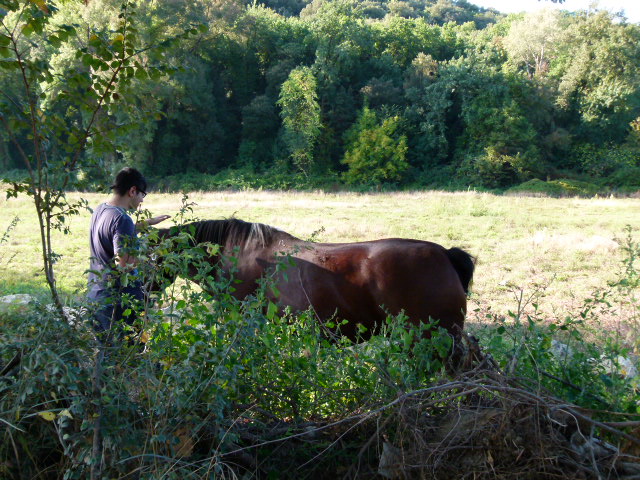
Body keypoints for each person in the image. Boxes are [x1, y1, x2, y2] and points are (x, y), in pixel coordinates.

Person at [87, 167, 170, 341]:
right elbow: (123, 264)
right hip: (118, 303)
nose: (142, 201)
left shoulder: (101, 209)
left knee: (105, 356)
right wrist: (151, 261)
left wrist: (147, 223)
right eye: (142, 195)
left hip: (96, 295)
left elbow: (114, 233)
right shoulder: (122, 219)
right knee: (127, 356)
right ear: (133, 190)